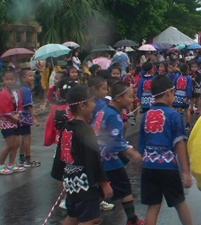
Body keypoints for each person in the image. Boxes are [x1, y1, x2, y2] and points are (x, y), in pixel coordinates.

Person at [51, 85, 113, 225]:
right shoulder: (85, 130)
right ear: (82, 106)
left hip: (71, 182)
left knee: (73, 217)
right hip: (84, 184)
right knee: (88, 220)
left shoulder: (67, 128)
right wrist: (104, 183)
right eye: (91, 101)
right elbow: (93, 160)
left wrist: (62, 177)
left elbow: (60, 156)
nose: (94, 105)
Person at [139, 75, 193, 225]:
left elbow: (141, 146)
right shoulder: (174, 115)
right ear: (169, 92)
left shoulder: (146, 115)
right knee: (179, 202)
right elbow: (180, 144)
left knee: (153, 205)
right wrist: (186, 172)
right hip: (167, 165)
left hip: (149, 165)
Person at [92, 81, 145, 225]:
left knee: (101, 190)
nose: (132, 100)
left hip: (98, 156)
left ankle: (89, 215)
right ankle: (132, 219)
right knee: (124, 187)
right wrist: (132, 153)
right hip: (108, 159)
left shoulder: (104, 110)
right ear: (119, 97)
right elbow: (115, 141)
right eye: (130, 97)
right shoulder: (114, 116)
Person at [0, 70, 25, 174]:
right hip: (7, 121)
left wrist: (18, 114)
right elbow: (3, 109)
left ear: (16, 80)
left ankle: (12, 164)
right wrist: (13, 117)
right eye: (7, 79)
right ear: (4, 80)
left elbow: (20, 104)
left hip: (16, 119)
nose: (9, 81)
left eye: (11, 79)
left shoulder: (17, 91)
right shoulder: (3, 93)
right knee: (10, 144)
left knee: (16, 144)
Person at [18, 69, 41, 167]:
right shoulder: (26, 90)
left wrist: (33, 113)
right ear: (23, 78)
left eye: (33, 76)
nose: (33, 78)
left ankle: (22, 157)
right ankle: (28, 159)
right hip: (25, 116)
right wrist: (34, 118)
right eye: (30, 76)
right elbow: (28, 105)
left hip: (21, 116)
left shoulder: (23, 89)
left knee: (24, 137)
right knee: (27, 138)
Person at [173, 64, 192, 131]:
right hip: (185, 94)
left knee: (177, 109)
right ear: (187, 70)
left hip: (177, 95)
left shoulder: (177, 77)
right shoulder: (189, 78)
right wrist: (188, 97)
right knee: (187, 110)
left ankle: (177, 125)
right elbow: (189, 88)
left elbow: (173, 86)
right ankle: (188, 125)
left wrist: (174, 94)